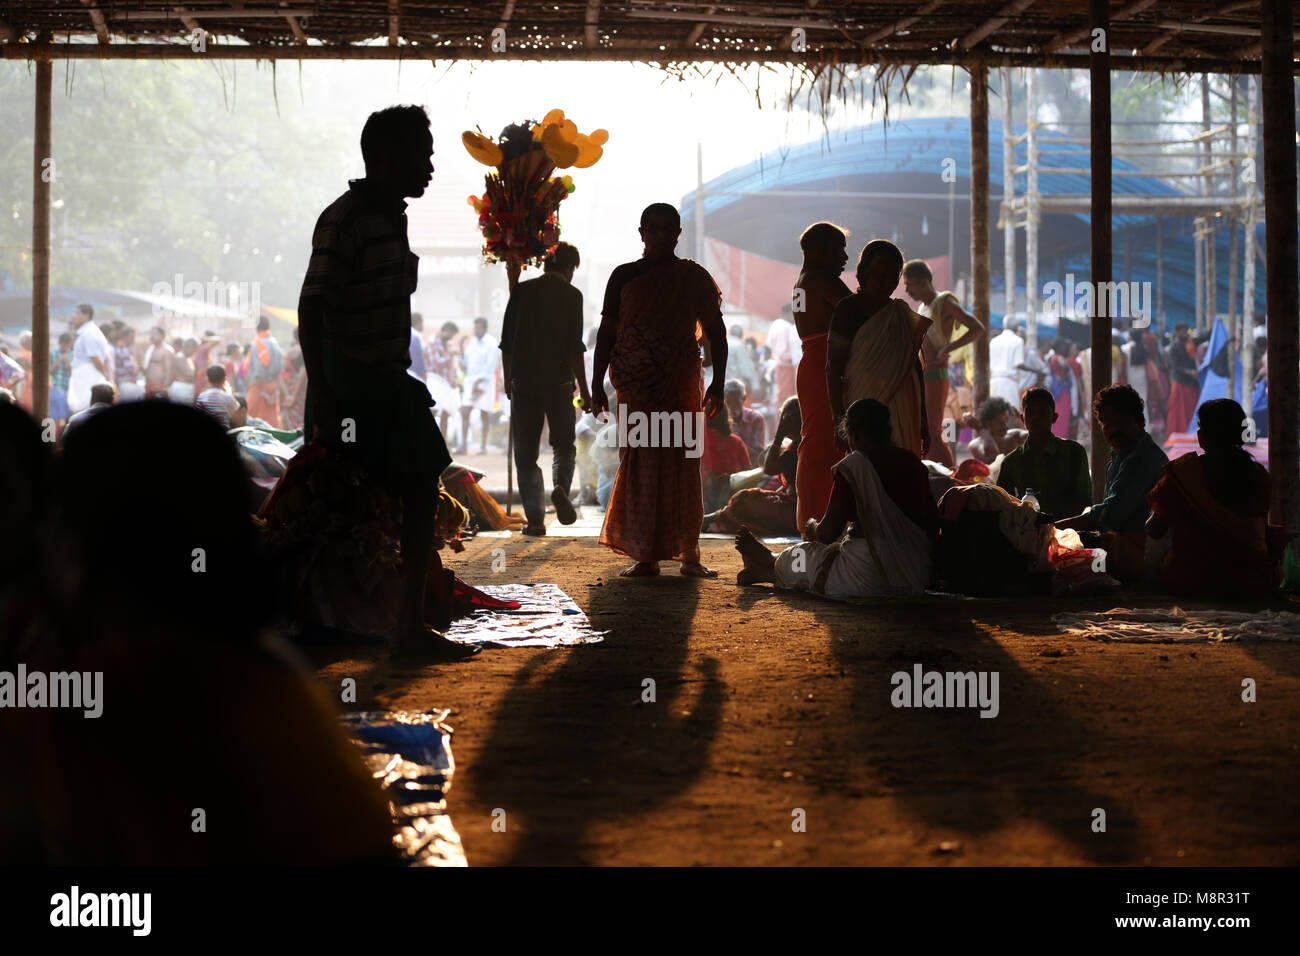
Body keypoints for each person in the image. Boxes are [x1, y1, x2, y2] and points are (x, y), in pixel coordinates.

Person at [298, 103, 475, 660]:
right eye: (421, 155)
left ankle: (396, 622)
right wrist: (326, 391)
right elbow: (311, 308)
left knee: (405, 488)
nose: (429, 166)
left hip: (381, 381)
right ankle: (388, 625)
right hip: (350, 380)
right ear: (386, 156)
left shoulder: (391, 217)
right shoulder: (345, 220)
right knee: (361, 495)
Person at [591, 202, 727, 577]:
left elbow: (716, 330)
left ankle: (690, 554)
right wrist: (595, 383)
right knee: (641, 460)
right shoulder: (623, 277)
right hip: (638, 383)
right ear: (642, 233)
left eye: (670, 229)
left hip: (681, 380)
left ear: (678, 234)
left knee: (684, 460)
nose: (663, 235)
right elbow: (608, 333)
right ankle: (645, 556)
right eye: (655, 228)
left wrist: (718, 383)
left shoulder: (693, 277)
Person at [734, 398, 936, 597]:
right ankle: (765, 572)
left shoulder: (854, 466)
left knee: (802, 554)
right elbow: (933, 524)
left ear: (854, 434)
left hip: (868, 578)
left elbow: (827, 533)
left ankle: (771, 560)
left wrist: (812, 526)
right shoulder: (913, 462)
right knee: (828, 556)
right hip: (916, 573)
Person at [500, 241, 590, 536]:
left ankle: (536, 520)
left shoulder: (521, 292)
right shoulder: (572, 296)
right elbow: (576, 349)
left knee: (525, 453)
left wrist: (507, 378)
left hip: (523, 382)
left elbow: (507, 343)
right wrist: (585, 391)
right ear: (569, 268)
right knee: (563, 445)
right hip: (560, 383)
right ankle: (561, 486)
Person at [827, 239, 930, 461]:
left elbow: (915, 368)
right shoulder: (848, 310)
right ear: (863, 273)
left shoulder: (900, 314)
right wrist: (840, 423)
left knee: (903, 477)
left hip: (904, 411)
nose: (887, 283)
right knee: (866, 479)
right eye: (880, 276)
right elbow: (833, 369)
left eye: (893, 277)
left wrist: (923, 422)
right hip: (862, 414)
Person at [1056, 383, 1169, 581]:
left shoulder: (1141, 459)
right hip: (1128, 548)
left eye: (1121, 421)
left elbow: (1112, 513)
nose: (1114, 428)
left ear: (1138, 421)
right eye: (1107, 422)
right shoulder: (1120, 457)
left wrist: (1055, 527)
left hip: (1146, 557)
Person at [793, 221, 853, 530]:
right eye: (838, 250)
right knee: (827, 441)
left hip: (813, 361)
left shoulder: (804, 281)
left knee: (817, 440)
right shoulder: (819, 280)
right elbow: (858, 310)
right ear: (817, 251)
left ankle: (812, 519)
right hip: (824, 363)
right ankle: (819, 520)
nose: (845, 257)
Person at [903, 258, 985, 467]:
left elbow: (977, 328)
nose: (907, 291)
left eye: (909, 284)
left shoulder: (945, 302)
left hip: (938, 373)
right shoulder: (922, 308)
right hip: (924, 373)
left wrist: (950, 347)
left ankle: (949, 476)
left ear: (923, 281)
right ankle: (933, 473)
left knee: (932, 429)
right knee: (925, 428)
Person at [702, 395, 800, 537]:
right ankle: (716, 519)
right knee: (748, 497)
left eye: (784, 419)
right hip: (791, 506)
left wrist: (779, 435)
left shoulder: (800, 445)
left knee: (744, 501)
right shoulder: (797, 444)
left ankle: (715, 519)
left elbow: (769, 468)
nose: (782, 422)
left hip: (796, 513)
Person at [996, 386, 1092, 519]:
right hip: (1026, 532)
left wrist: (1055, 527)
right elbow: (1004, 505)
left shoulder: (1074, 452)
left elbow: (1082, 499)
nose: (1036, 417)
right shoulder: (1011, 461)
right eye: (1030, 412)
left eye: (1042, 412)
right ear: (1022, 418)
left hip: (1066, 532)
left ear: (1054, 417)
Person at [458, 317, 498, 454]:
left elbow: (491, 366)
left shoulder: (492, 343)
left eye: (479, 328)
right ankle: (463, 445)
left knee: (484, 413)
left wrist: (478, 382)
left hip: (485, 382)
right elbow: (465, 364)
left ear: (485, 328)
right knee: (465, 411)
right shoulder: (472, 342)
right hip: (471, 381)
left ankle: (483, 446)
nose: (476, 330)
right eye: (475, 328)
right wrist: (461, 347)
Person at [67, 303, 110, 414]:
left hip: (89, 375)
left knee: (86, 407)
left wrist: (105, 376)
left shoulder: (89, 332)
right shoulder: (85, 332)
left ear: (86, 315)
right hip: (83, 374)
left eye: (77, 313)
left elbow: (95, 358)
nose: (74, 315)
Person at [963, 396, 1028, 465]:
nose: (1005, 426)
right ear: (987, 423)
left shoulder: (1016, 436)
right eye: (999, 422)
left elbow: (1036, 435)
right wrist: (980, 428)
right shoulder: (975, 445)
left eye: (1006, 420)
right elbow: (994, 459)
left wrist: (1023, 417)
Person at [425, 320, 461, 438]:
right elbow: (436, 363)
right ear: (445, 331)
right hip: (435, 380)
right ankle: (429, 439)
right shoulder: (432, 342)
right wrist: (450, 355)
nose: (451, 337)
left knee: (446, 412)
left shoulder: (448, 344)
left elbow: (451, 367)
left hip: (447, 384)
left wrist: (454, 379)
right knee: (433, 410)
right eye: (450, 334)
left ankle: (443, 441)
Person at [246, 315, 283, 426]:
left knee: (255, 424)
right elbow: (278, 370)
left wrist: (264, 393)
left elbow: (259, 372)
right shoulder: (274, 343)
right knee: (271, 423)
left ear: (256, 328)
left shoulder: (258, 344)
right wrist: (275, 391)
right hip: (272, 387)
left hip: (260, 389)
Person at [1166, 322, 1200, 434]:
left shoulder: (1191, 343)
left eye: (1186, 331)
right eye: (1183, 331)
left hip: (1191, 382)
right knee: (1177, 410)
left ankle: (1191, 431)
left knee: (1192, 408)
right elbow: (1175, 367)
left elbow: (1204, 337)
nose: (1185, 333)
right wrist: (1189, 372)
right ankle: (1178, 432)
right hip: (1180, 381)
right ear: (1177, 332)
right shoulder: (1174, 348)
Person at [724, 378, 766, 466]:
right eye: (728, 403)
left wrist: (736, 440)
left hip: (751, 470)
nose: (732, 407)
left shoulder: (756, 419)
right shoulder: (720, 421)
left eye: (736, 403)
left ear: (744, 399)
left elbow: (759, 455)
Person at [768, 302, 801, 407]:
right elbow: (783, 352)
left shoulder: (776, 324)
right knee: (787, 397)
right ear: (787, 313)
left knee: (784, 396)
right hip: (786, 367)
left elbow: (769, 345)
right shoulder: (785, 327)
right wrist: (795, 360)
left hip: (781, 365)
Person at [141, 326, 177, 400]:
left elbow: (169, 370)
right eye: (150, 334)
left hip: (160, 387)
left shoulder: (167, 350)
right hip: (149, 386)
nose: (151, 336)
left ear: (162, 336)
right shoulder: (151, 349)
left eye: (154, 334)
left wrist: (165, 388)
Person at [49, 331, 73, 428]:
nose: (66, 347)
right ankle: (52, 437)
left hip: (69, 389)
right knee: (54, 416)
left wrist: (67, 361)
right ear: (60, 343)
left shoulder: (73, 354)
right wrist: (59, 361)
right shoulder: (53, 353)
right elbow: (49, 371)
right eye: (64, 345)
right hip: (56, 387)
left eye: (68, 345)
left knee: (68, 416)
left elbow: (73, 370)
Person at [409, 312, 428, 381]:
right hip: (415, 375)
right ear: (419, 322)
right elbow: (417, 360)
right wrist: (423, 374)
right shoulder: (414, 339)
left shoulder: (411, 337)